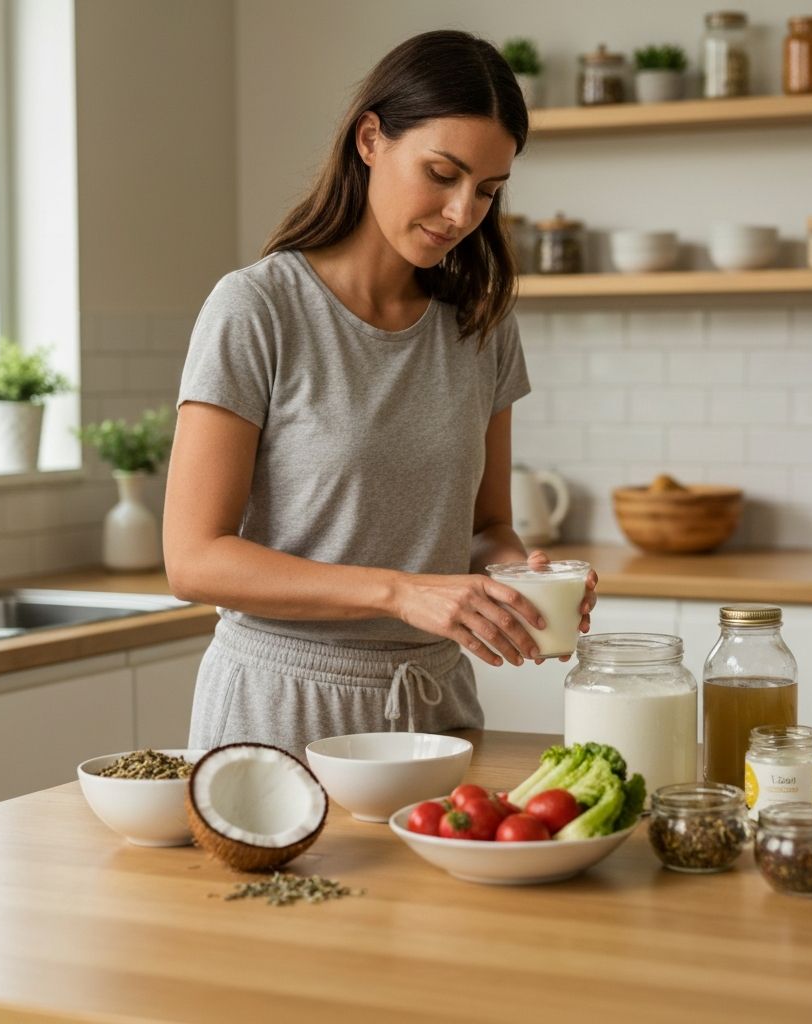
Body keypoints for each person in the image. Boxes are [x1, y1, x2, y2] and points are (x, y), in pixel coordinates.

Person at [163, 29, 597, 758]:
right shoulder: (258, 309)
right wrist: (402, 592)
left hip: (436, 713)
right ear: (370, 139)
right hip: (278, 712)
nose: (463, 213)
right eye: (442, 173)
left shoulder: (481, 325)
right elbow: (193, 559)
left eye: (487, 190)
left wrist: (521, 587)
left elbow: (487, 528)